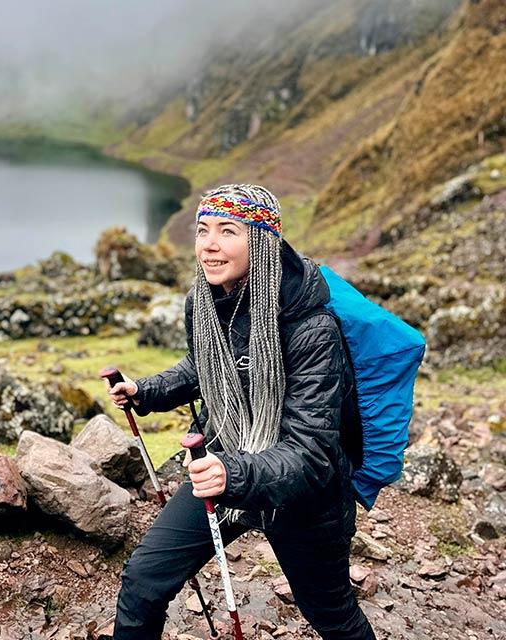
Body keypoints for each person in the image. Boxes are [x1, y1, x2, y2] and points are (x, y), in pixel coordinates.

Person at [106, 184, 375, 639]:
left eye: (227, 231)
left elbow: (311, 451)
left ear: (261, 240)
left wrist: (233, 475)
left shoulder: (311, 328)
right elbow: (206, 365)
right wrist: (147, 391)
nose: (208, 245)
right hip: (223, 459)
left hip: (303, 497)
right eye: (202, 230)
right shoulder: (205, 301)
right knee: (142, 582)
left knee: (330, 612)